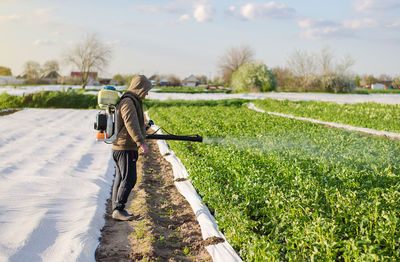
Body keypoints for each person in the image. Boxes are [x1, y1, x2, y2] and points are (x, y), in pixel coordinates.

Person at [111, 75, 153, 221]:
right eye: (146, 90)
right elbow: (130, 124)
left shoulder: (129, 100)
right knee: (129, 178)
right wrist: (141, 142)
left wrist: (144, 128)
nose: (147, 93)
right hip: (125, 147)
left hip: (120, 146)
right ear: (139, 88)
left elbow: (132, 124)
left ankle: (116, 208)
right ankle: (118, 209)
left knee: (121, 177)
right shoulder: (128, 101)